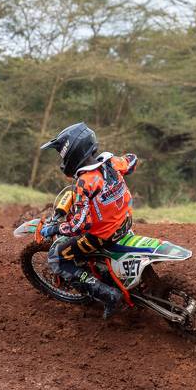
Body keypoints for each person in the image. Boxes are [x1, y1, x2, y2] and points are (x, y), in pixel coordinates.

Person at [39, 122, 137, 319]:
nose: (63, 160)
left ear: (73, 154)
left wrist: (55, 228)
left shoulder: (86, 182)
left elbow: (78, 225)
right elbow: (132, 160)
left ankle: (107, 294)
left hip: (102, 235)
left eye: (63, 155)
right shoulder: (111, 162)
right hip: (126, 222)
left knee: (57, 258)